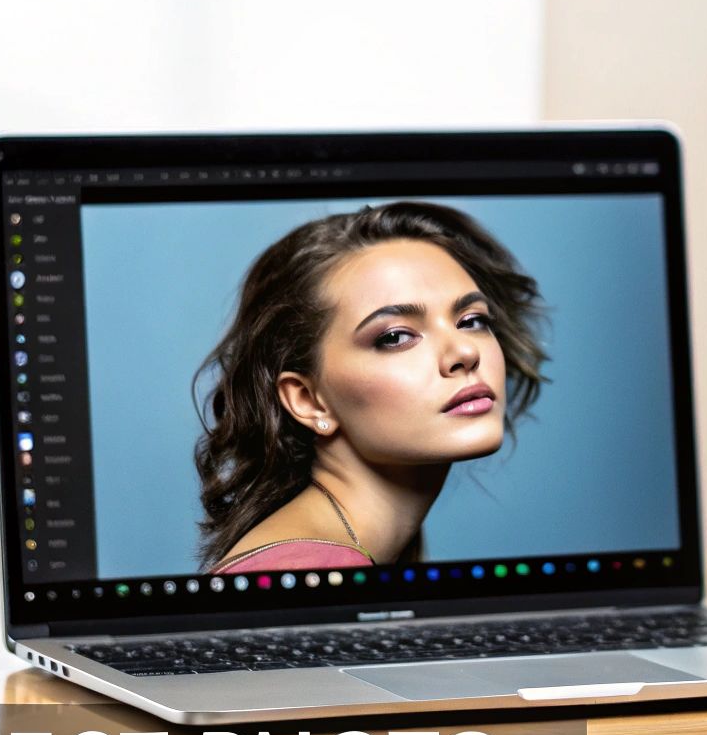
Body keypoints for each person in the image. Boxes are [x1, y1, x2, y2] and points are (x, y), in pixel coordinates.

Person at [194, 201, 548, 574]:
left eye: (472, 320)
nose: (464, 351)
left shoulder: (342, 555)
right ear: (309, 401)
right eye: (395, 336)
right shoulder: (317, 570)